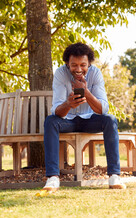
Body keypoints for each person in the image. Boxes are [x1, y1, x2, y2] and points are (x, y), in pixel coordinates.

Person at [43, 42, 126, 192]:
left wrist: (86, 92)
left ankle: (114, 175)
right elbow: (57, 110)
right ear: (67, 63)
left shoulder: (95, 74)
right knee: (50, 121)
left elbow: (102, 109)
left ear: (89, 64)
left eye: (83, 65)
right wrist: (68, 104)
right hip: (67, 121)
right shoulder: (61, 74)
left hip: (90, 120)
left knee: (111, 120)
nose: (79, 69)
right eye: (74, 65)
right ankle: (53, 178)